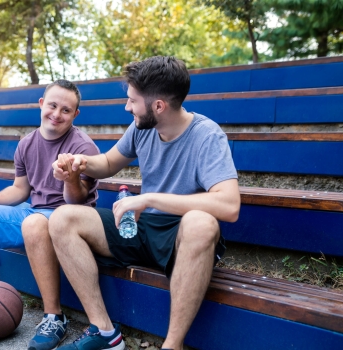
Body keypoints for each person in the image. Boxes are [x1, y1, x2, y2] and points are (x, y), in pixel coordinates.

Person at [49, 56, 240, 350]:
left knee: (202, 223)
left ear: (158, 106)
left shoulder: (207, 135)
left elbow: (229, 206)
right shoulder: (142, 127)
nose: (127, 107)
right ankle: (104, 332)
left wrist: (148, 198)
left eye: (132, 101)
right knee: (62, 218)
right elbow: (109, 162)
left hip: (181, 234)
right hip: (141, 229)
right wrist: (80, 162)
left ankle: (172, 345)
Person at [0, 79, 100, 350]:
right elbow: (20, 190)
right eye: (52, 105)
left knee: (34, 223)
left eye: (66, 110)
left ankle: (54, 317)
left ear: (75, 115)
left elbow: (79, 200)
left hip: (67, 216)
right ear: (41, 104)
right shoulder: (26, 144)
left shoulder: (83, 148)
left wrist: (69, 178)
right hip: (33, 209)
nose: (57, 114)